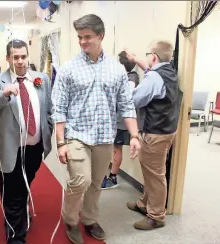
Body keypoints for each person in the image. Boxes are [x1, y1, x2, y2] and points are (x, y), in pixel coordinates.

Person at [51, 14, 141, 243]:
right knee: (80, 179)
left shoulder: (116, 70)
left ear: (101, 36)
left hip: (104, 137)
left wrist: (134, 135)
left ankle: (89, 219)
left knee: (95, 183)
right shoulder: (68, 69)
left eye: (87, 37)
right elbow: (59, 108)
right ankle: (71, 219)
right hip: (77, 136)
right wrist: (60, 142)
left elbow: (126, 105)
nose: (82, 42)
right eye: (80, 37)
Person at [0, 39, 53, 244]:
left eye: (23, 56)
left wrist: (48, 130)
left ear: (28, 57)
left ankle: (20, 210)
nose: (20, 61)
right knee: (12, 193)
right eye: (15, 57)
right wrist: (3, 94)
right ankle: (15, 236)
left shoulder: (42, 79)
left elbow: (48, 110)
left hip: (36, 148)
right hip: (9, 149)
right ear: (8, 58)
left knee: (24, 186)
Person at [126, 41, 178, 230]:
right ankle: (144, 204)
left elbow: (135, 99)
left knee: (155, 175)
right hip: (167, 131)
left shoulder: (154, 78)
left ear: (154, 57)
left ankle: (156, 216)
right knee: (151, 171)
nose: (147, 57)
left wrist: (129, 85)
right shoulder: (169, 71)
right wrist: (135, 59)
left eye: (148, 54)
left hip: (156, 133)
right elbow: (150, 70)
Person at [101, 51, 140, 189]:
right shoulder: (123, 76)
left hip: (121, 121)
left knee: (116, 148)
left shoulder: (131, 78)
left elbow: (126, 98)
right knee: (111, 148)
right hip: (114, 119)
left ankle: (113, 178)